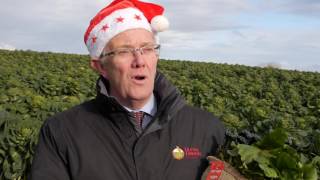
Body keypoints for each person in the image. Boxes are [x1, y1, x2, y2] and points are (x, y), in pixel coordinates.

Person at [30, 0, 225, 179]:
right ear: (100, 66)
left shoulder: (207, 127)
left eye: (147, 49)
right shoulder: (61, 132)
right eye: (124, 51)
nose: (140, 61)